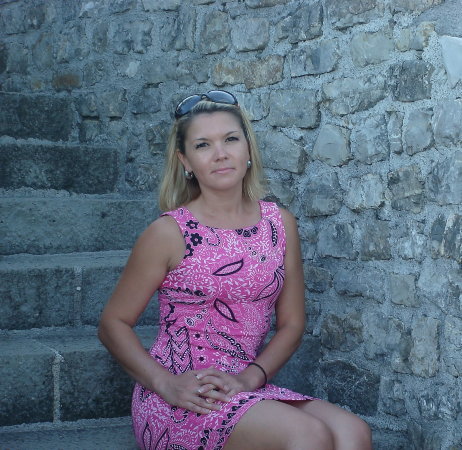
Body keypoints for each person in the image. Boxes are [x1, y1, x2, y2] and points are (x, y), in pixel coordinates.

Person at [98, 90, 372, 450]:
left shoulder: (279, 224)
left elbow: (292, 324)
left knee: (353, 432)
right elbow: (112, 323)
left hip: (245, 384)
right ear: (185, 161)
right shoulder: (169, 232)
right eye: (203, 145)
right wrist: (166, 383)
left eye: (230, 139)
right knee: (308, 435)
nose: (221, 153)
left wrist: (250, 378)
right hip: (184, 393)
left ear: (248, 149)